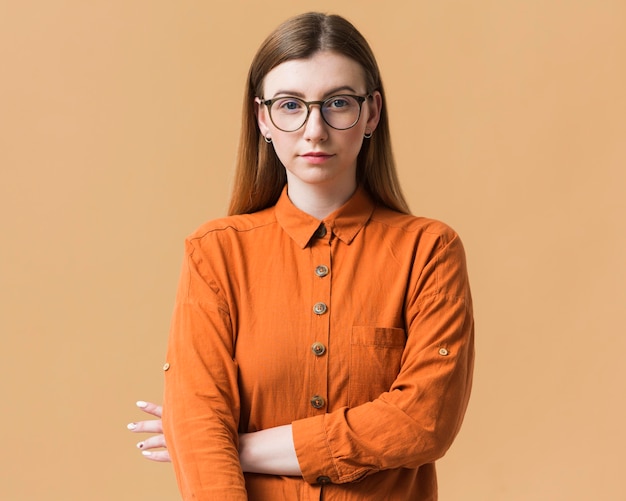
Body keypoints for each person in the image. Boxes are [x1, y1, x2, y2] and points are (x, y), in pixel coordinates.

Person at [127, 11, 474, 501]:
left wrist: (238, 445)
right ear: (262, 118)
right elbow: (200, 425)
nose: (315, 129)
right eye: (291, 105)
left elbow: (423, 421)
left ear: (372, 113)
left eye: (338, 103)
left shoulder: (430, 251)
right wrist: (200, 435)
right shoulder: (216, 253)